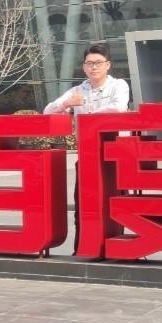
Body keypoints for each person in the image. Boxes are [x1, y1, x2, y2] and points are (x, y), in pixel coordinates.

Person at [44, 44, 130, 254]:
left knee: (115, 205)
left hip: (115, 155)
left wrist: (86, 116)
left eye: (98, 63)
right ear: (83, 67)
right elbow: (47, 111)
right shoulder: (77, 91)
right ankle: (82, 249)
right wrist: (67, 104)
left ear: (108, 65)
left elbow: (118, 108)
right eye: (89, 63)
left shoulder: (118, 86)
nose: (94, 67)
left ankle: (114, 248)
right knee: (83, 206)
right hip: (88, 155)